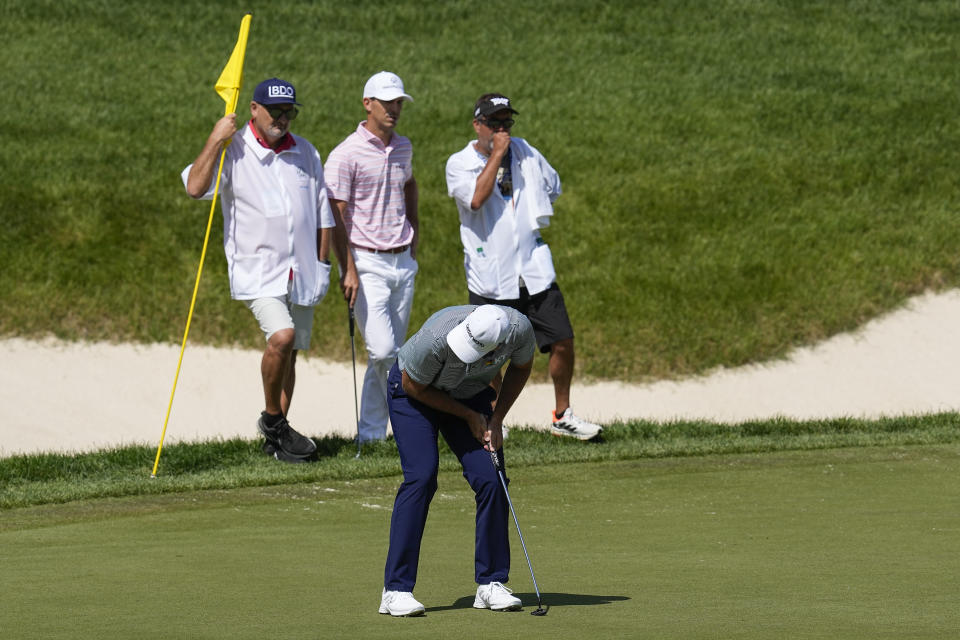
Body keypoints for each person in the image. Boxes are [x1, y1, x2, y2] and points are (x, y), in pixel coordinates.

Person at [181, 77, 334, 461]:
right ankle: (272, 420)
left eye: (289, 112)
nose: (283, 118)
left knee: (293, 351)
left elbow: (322, 213)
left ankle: (277, 442)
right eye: (275, 111)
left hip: (302, 270)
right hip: (258, 270)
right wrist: (216, 139)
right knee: (282, 337)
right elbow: (195, 188)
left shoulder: (306, 152)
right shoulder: (233, 150)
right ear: (254, 109)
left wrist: (324, 264)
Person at [445, 93, 603, 441]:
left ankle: (563, 415)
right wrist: (498, 154)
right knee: (487, 355)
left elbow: (553, 186)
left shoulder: (527, 151)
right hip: (490, 276)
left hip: (532, 269)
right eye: (494, 123)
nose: (502, 130)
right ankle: (495, 417)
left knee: (562, 340)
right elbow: (474, 198)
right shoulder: (459, 163)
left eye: (507, 123)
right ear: (477, 125)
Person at [379, 305, 534, 616]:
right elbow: (413, 386)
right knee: (421, 477)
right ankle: (395, 590)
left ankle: (490, 583)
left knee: (492, 478)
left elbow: (521, 367)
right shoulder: (436, 338)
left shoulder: (519, 331)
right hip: (413, 395)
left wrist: (496, 419)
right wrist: (468, 416)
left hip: (470, 392)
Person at [325, 71, 419, 444]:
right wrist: (346, 267)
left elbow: (410, 184)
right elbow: (335, 213)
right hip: (365, 262)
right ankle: (392, 427)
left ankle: (372, 435)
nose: (395, 109)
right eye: (387, 102)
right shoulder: (345, 153)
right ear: (368, 104)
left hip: (402, 261)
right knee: (383, 350)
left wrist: (415, 231)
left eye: (399, 102)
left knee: (390, 356)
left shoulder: (404, 146)